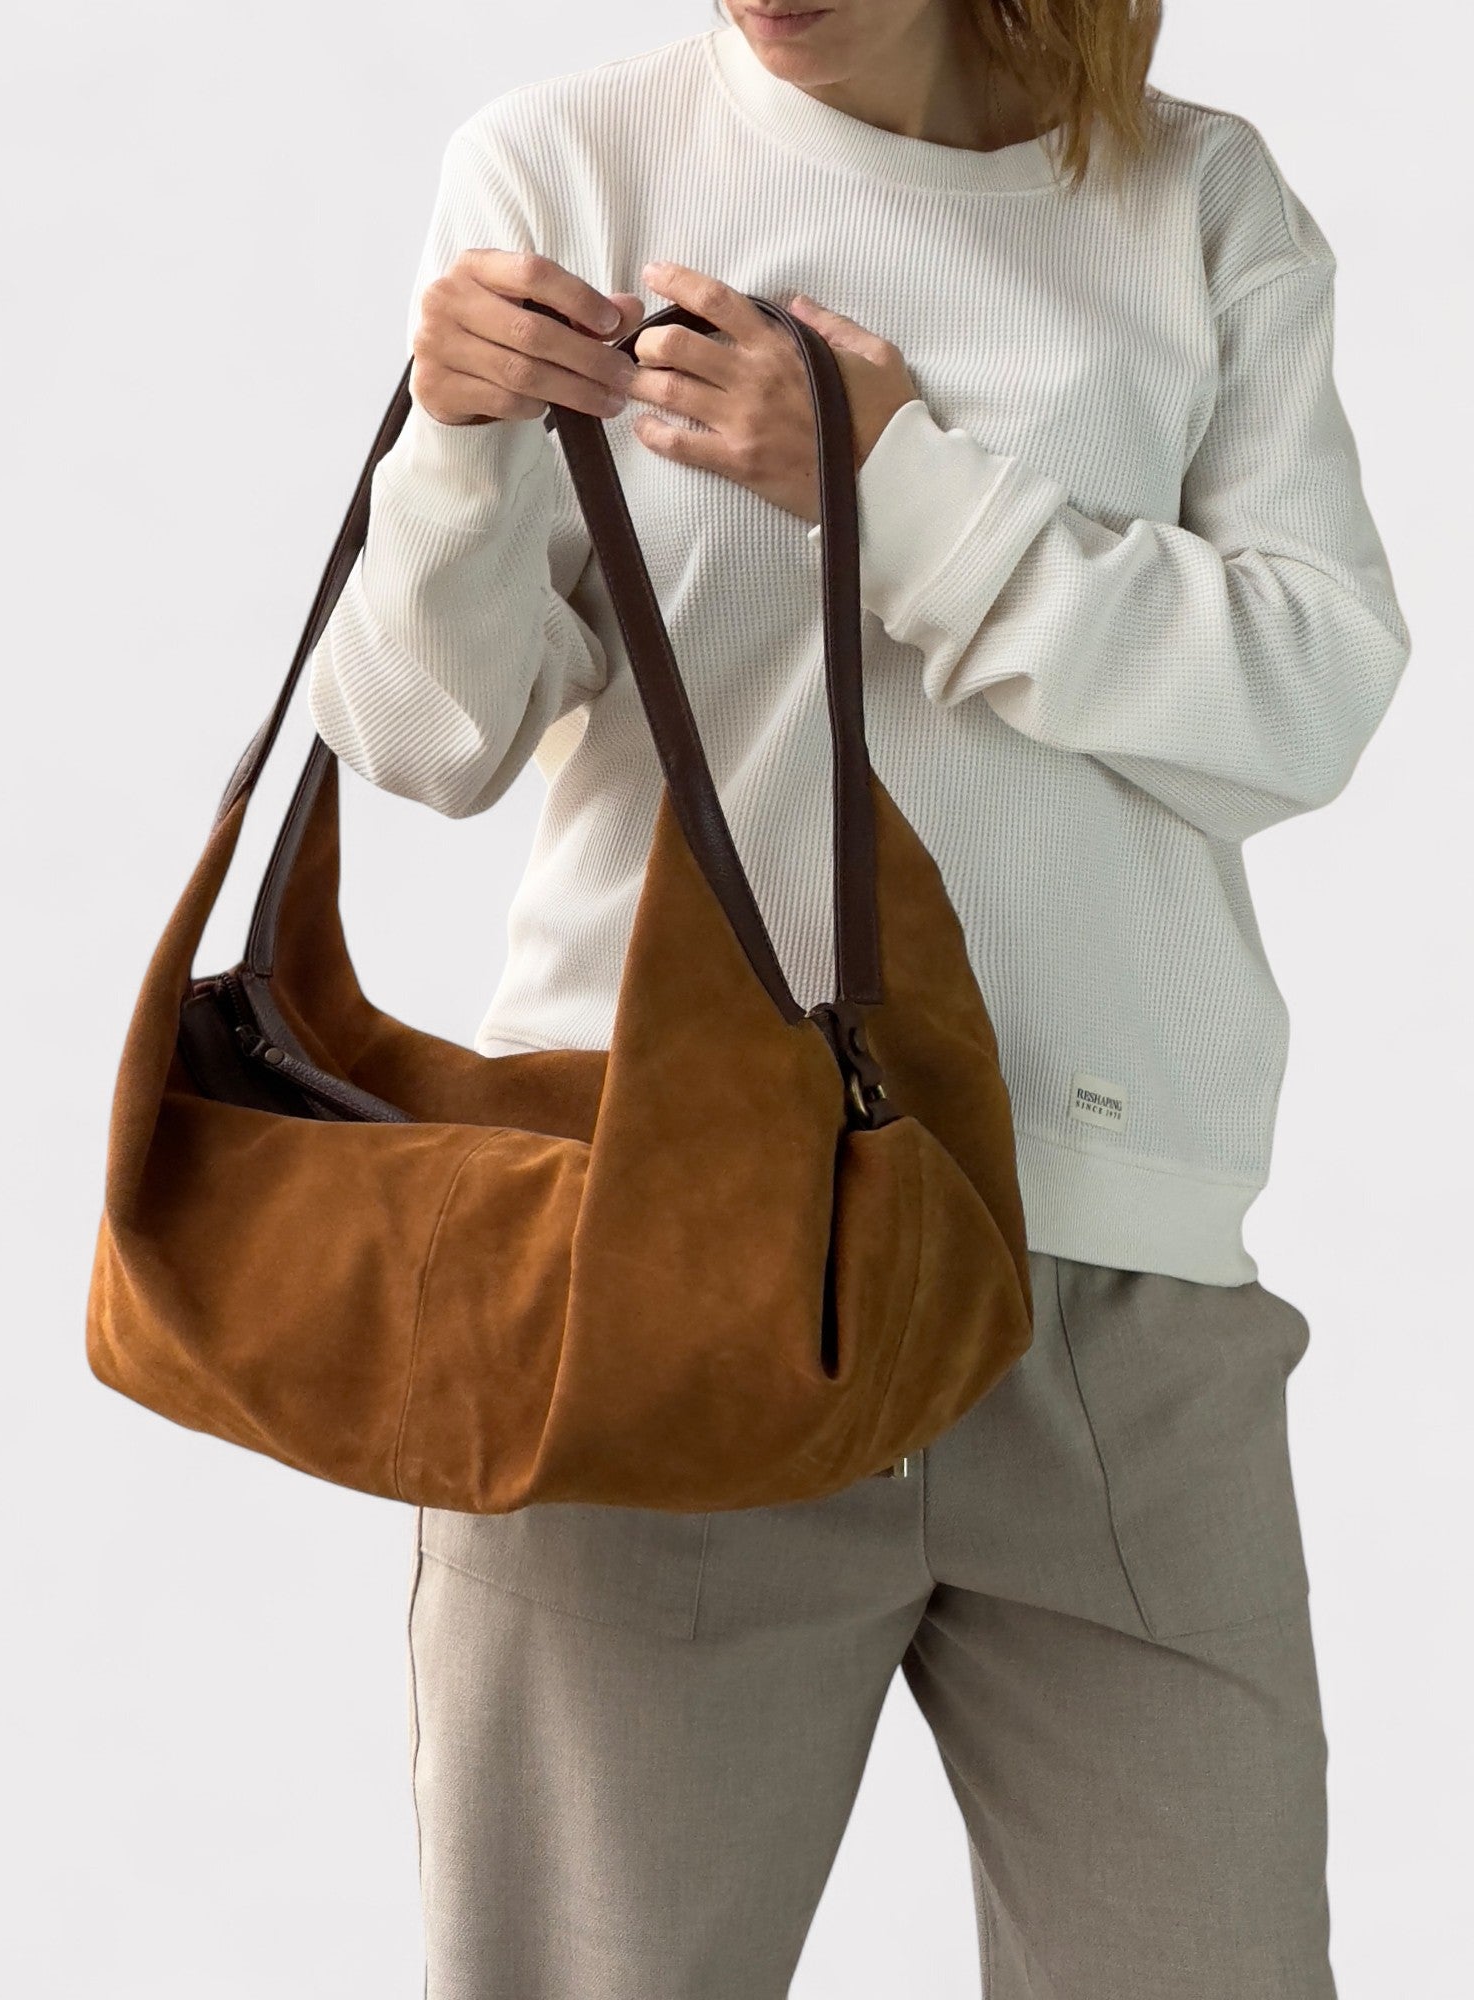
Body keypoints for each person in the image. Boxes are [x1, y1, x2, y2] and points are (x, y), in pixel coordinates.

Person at [306, 2, 1410, 1993]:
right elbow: (427, 739)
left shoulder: (1192, 196)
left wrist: (896, 487)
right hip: (657, 1269)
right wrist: (452, 453)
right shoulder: (565, 164)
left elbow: (1303, 700)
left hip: (1111, 1303)